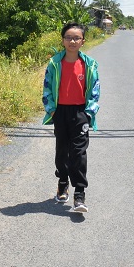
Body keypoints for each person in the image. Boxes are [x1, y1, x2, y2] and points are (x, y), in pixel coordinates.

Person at [42, 22, 100, 213]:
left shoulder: (89, 64)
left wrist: (89, 112)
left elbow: (94, 91)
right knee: (62, 151)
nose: (72, 41)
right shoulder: (54, 63)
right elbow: (47, 88)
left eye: (76, 38)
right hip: (60, 112)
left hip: (80, 113)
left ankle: (79, 194)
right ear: (63, 40)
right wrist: (52, 110)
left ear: (83, 41)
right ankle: (62, 182)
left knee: (78, 153)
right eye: (68, 37)